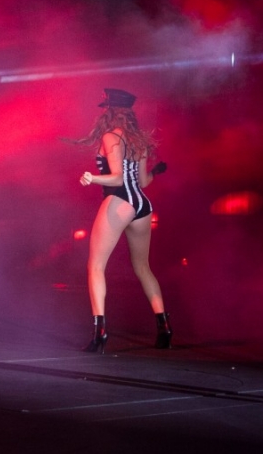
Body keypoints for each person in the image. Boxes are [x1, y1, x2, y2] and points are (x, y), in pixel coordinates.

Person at [69, 88, 170, 352]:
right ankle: (165, 328)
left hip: (120, 201)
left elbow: (117, 178)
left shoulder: (110, 137)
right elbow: (143, 181)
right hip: (142, 205)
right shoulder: (139, 141)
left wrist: (92, 177)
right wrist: (156, 171)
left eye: (105, 108)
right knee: (143, 268)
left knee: (95, 266)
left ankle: (100, 334)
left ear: (110, 111)